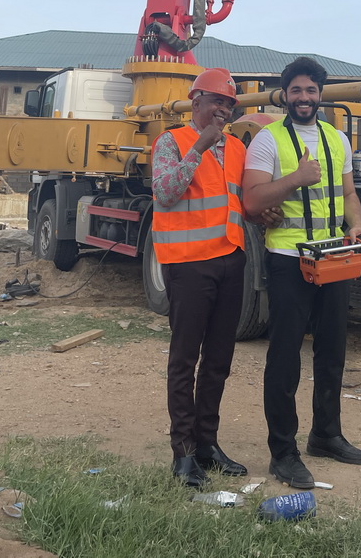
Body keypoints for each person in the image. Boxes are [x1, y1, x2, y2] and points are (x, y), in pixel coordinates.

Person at [243, 56, 361, 489]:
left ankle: (326, 435)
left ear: (320, 95)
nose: (304, 97)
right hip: (288, 259)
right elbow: (252, 201)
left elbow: (349, 194)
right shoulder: (268, 140)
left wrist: (356, 224)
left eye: (311, 90)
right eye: (296, 90)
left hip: (333, 256)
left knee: (332, 350)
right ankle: (283, 452)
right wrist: (296, 178)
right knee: (284, 357)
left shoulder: (337, 139)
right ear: (285, 95)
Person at [151, 67, 249, 487]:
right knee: (184, 359)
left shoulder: (238, 149)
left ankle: (207, 444)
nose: (223, 110)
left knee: (219, 360)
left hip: (231, 259)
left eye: (228, 104)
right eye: (216, 101)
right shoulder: (172, 141)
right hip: (189, 264)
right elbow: (165, 192)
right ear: (196, 101)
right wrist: (200, 147)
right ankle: (184, 453)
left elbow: (241, 201)